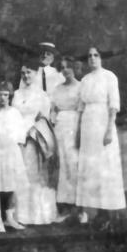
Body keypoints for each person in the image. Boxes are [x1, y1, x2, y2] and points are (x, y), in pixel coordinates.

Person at [76, 47, 126, 229]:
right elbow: (80, 108)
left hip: (103, 122)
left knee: (105, 167)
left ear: (101, 58)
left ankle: (107, 213)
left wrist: (108, 131)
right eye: (89, 56)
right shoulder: (85, 80)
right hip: (88, 126)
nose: (92, 58)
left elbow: (113, 105)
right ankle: (94, 211)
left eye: (96, 55)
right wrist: (78, 132)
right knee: (91, 168)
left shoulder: (109, 76)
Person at [12, 58, 59, 225]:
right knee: (20, 174)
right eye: (23, 73)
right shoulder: (16, 94)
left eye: (29, 72)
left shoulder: (41, 95)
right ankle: (20, 214)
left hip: (34, 138)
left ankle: (38, 214)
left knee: (34, 174)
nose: (26, 75)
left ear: (35, 73)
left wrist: (32, 132)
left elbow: (43, 119)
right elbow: (13, 116)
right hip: (18, 138)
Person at [0, 81, 28, 232]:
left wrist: (20, 154)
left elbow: (21, 136)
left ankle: (9, 217)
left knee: (12, 184)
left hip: (11, 151)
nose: (3, 98)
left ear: (9, 96)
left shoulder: (15, 113)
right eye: (0, 95)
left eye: (6, 95)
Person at [51, 56, 82, 209]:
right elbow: (53, 110)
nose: (65, 70)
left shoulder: (81, 87)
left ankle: (79, 208)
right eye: (62, 68)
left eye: (68, 67)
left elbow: (83, 111)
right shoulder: (57, 88)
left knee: (73, 164)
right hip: (59, 128)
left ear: (74, 68)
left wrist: (79, 132)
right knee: (61, 165)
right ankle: (64, 207)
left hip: (74, 126)